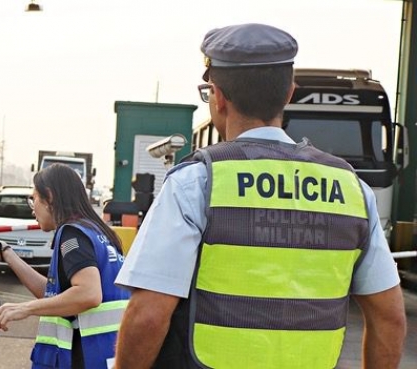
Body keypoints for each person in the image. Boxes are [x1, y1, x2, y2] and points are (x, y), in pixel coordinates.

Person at [114, 23, 407, 369]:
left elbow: (148, 316)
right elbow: (389, 319)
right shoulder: (351, 188)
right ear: (289, 93)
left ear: (218, 97)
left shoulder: (197, 182)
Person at [0, 163, 130, 368]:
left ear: (50, 196)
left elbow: (88, 294)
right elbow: (54, 297)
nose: (33, 210)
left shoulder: (71, 234)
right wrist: (8, 255)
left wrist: (25, 309)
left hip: (84, 357)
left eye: (34, 199)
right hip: (104, 356)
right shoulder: (97, 233)